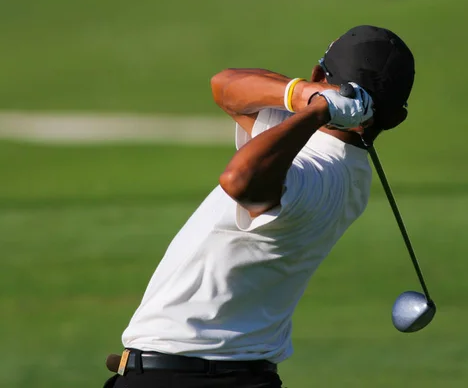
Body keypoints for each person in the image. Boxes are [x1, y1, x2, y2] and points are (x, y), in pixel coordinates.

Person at [103, 25, 415, 388]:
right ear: (396, 118)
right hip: (227, 375)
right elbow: (225, 86)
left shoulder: (320, 175)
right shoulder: (331, 161)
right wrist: (303, 97)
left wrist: (316, 111)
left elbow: (238, 179)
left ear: (319, 73)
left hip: (183, 376)